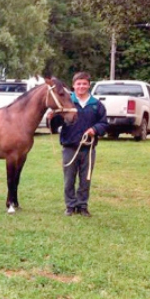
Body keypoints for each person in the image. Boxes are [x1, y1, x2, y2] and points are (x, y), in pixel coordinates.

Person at [50, 72, 108, 217]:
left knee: (85, 179)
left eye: (84, 84)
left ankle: (82, 205)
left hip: (88, 149)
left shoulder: (96, 105)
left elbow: (104, 123)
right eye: (78, 84)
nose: (81, 86)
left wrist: (95, 129)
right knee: (69, 178)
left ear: (89, 85)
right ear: (73, 85)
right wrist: (52, 117)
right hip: (70, 147)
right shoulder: (68, 102)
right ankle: (70, 205)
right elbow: (56, 124)